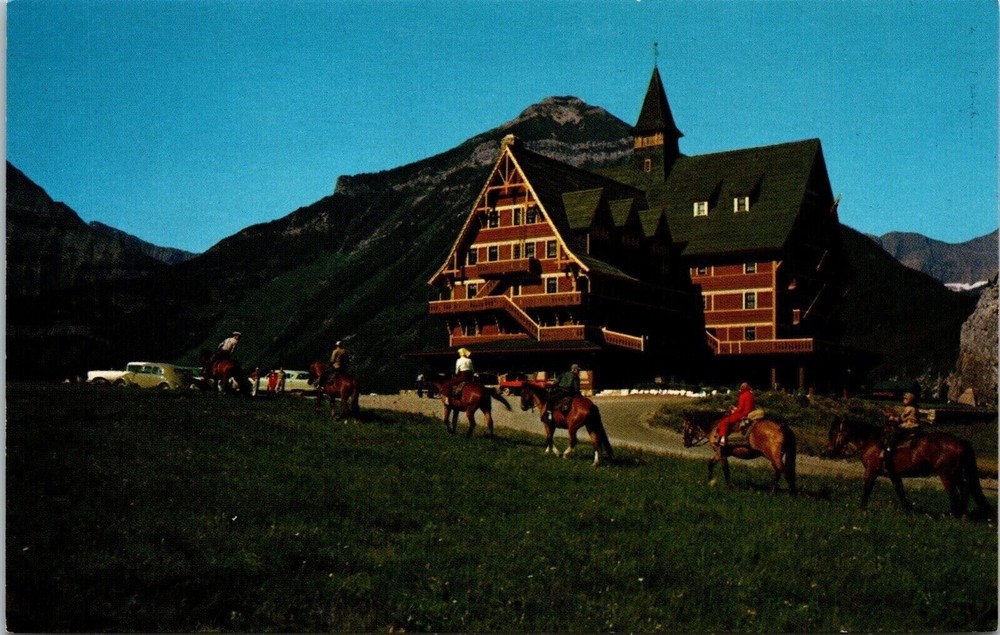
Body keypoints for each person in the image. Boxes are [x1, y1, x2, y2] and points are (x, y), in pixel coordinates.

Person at [881, 391, 923, 469]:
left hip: (909, 426)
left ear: (910, 400)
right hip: (914, 426)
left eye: (905, 399)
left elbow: (900, 419)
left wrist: (891, 418)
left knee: (893, 435)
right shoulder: (913, 408)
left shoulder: (909, 408)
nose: (903, 400)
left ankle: (889, 450)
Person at [717, 382, 755, 446]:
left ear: (742, 388)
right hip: (749, 413)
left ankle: (723, 439)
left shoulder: (743, 395)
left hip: (743, 414)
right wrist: (735, 408)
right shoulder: (750, 394)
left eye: (741, 387)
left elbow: (740, 409)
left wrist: (733, 411)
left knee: (724, 421)